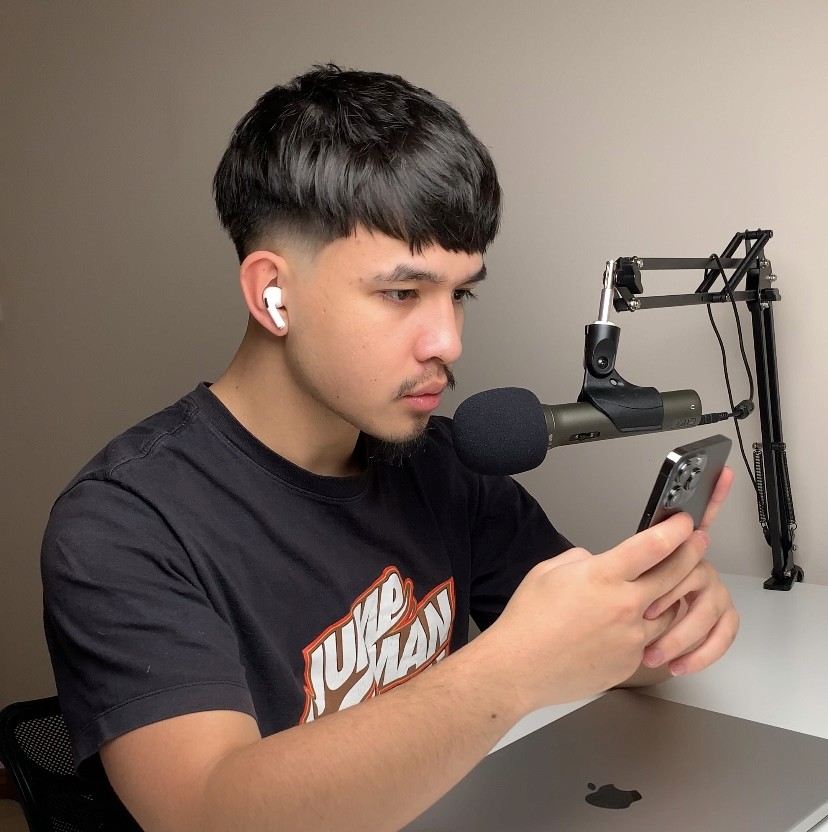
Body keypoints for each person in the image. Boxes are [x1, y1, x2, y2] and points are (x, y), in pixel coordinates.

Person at [41, 64, 738, 832]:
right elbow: (211, 812)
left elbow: (582, 647)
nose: (449, 341)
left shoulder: (441, 465)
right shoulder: (123, 524)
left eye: (460, 293)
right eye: (403, 294)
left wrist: (656, 621)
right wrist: (508, 671)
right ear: (272, 293)